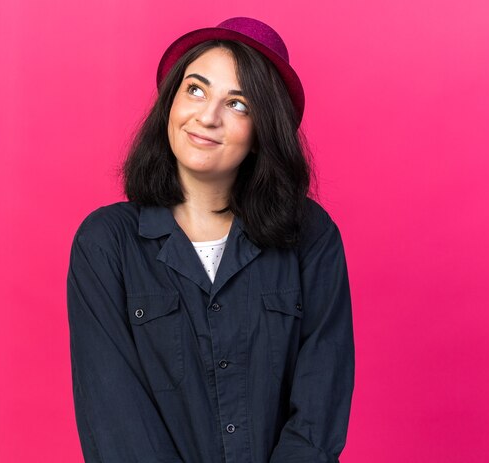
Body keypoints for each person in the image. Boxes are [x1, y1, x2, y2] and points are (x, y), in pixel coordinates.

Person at [67, 17, 355, 463]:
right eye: (196, 90)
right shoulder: (107, 244)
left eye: (238, 103)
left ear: (263, 133)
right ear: (170, 103)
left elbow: (321, 402)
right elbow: (116, 421)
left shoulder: (311, 237)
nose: (207, 116)